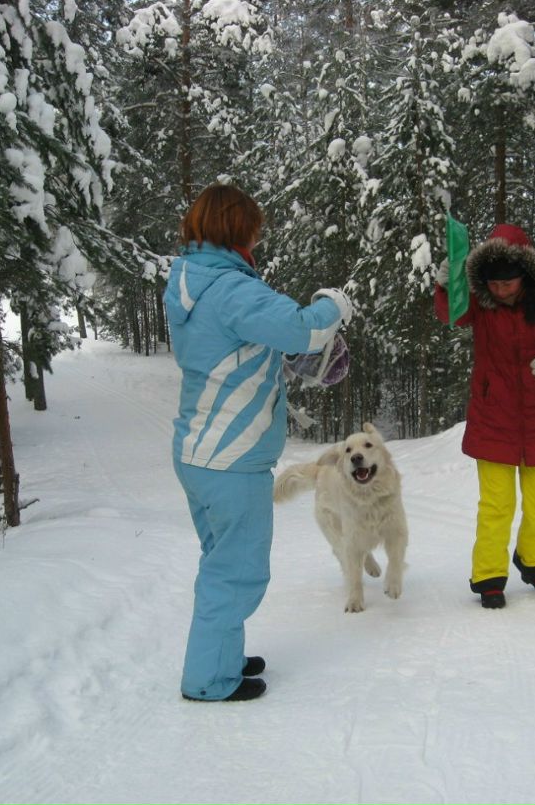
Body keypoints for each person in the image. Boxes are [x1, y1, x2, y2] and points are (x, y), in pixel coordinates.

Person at [164, 183, 353, 700]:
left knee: (222, 560)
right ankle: (209, 680)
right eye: (254, 227)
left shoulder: (195, 281)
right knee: (237, 570)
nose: (258, 236)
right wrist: (334, 307)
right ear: (237, 228)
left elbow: (244, 344)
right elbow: (300, 328)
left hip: (199, 451)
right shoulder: (230, 288)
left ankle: (222, 656)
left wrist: (279, 358)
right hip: (231, 456)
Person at [433, 223, 535, 609]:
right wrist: (446, 285)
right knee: (496, 505)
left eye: (509, 283)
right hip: (492, 419)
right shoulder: (481, 304)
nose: (502, 290)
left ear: (526, 274)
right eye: (495, 284)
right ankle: (488, 577)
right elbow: (451, 315)